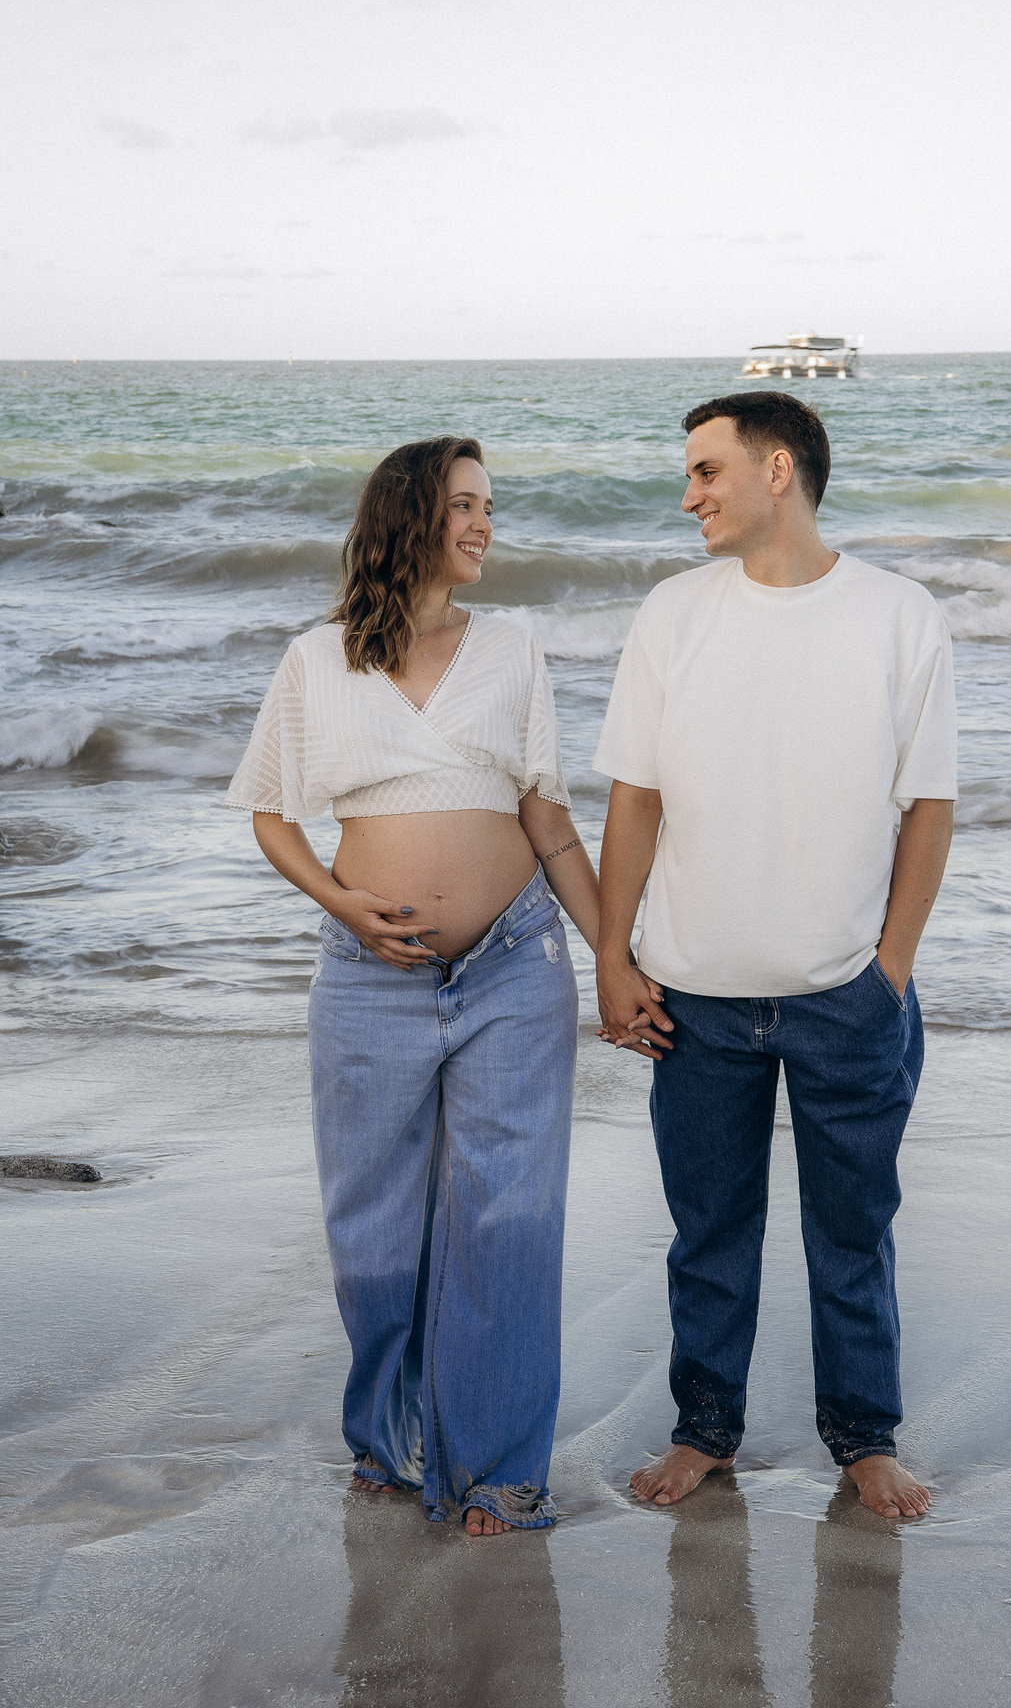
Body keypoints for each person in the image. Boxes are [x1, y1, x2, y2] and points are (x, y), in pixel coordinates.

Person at [226, 436, 599, 1536]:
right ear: (409, 518)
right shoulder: (317, 660)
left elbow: (548, 819)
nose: (485, 524)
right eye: (465, 505)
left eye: (489, 506)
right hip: (368, 978)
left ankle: (500, 1470)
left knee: (510, 1222)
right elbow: (271, 813)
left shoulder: (512, 648)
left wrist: (617, 956)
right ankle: (388, 1445)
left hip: (514, 964)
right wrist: (341, 903)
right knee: (375, 1237)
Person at [593, 393, 956, 1520]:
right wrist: (613, 955)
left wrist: (889, 972)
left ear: (778, 469)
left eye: (707, 471)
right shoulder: (672, 613)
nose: (688, 495)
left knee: (853, 1233)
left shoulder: (898, 615)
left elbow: (928, 807)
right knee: (710, 1235)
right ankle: (704, 1431)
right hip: (693, 996)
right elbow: (635, 800)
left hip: (847, 993)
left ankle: (865, 1439)